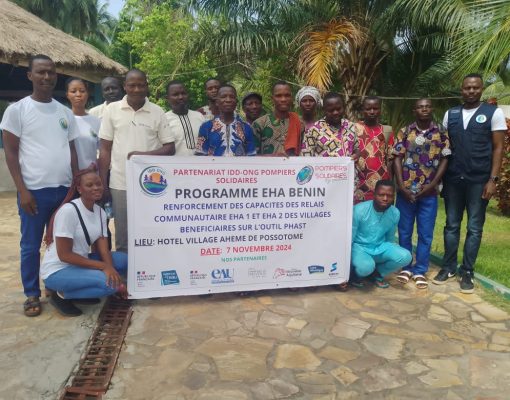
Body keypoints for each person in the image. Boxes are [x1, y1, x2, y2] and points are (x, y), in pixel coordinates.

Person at [0, 54, 79, 316]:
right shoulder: (17, 110)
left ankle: (54, 287)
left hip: (63, 191)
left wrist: (73, 187)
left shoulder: (64, 112)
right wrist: (22, 190)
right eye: (41, 72)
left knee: (61, 245)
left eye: (51, 73)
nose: (47, 77)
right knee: (31, 246)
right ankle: (32, 294)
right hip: (33, 191)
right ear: (30, 75)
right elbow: (11, 153)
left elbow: (72, 151)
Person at [433, 73, 506, 293]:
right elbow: (443, 148)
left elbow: (498, 148)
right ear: (461, 90)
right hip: (453, 179)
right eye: (467, 88)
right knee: (451, 225)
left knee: (474, 228)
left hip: (479, 180)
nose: (471, 91)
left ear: (482, 89)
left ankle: (467, 272)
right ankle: (448, 267)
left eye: (475, 88)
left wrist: (492, 180)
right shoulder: (450, 114)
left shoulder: (493, 113)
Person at [98, 69, 175, 253]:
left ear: (147, 87)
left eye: (141, 85)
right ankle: (125, 277)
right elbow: (105, 148)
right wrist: (103, 182)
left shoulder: (157, 111)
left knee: (151, 230)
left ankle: (150, 271)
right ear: (125, 87)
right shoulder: (112, 110)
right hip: (120, 182)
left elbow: (170, 148)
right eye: (132, 85)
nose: (137, 89)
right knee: (123, 234)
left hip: (151, 184)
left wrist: (141, 156)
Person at [41, 165, 127, 317]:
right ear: (79, 189)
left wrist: (110, 268)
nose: (96, 188)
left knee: (124, 260)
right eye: (89, 185)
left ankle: (80, 291)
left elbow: (103, 249)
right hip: (58, 270)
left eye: (99, 184)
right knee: (110, 287)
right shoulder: (69, 211)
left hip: (80, 262)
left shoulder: (100, 212)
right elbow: (64, 256)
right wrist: (104, 268)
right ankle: (60, 294)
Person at [393, 99, 451, 289]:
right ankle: (406, 266)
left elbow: (445, 159)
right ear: (414, 110)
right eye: (420, 106)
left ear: (431, 109)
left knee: (425, 233)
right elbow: (397, 158)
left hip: (429, 193)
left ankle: (420, 270)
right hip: (405, 192)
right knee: (404, 231)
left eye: (427, 106)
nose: (424, 109)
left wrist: (432, 184)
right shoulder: (405, 131)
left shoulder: (441, 132)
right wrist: (401, 186)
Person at [351, 180, 413, 288]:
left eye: (389, 195)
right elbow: (349, 239)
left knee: (406, 256)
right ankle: (355, 275)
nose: (385, 198)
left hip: (379, 247)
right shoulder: (359, 210)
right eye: (381, 195)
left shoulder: (395, 213)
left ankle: (377, 274)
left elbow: (389, 239)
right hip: (359, 248)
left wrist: (393, 252)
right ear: (374, 194)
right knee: (366, 267)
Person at [195, 84, 257, 156]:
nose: (228, 100)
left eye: (232, 97)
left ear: (236, 102)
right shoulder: (206, 127)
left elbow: (251, 156)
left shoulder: (246, 127)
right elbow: (200, 156)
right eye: (223, 97)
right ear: (217, 102)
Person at [354, 96, 394, 203]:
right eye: (368, 109)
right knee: (359, 216)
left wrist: (390, 183)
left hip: (381, 184)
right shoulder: (354, 128)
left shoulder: (386, 130)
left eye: (375, 108)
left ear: (380, 110)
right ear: (363, 110)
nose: (372, 112)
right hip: (359, 183)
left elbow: (390, 160)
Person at [301, 92, 360, 159]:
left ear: (343, 107)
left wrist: (356, 155)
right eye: (331, 110)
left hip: (348, 169)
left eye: (338, 109)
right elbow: (305, 157)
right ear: (324, 110)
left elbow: (356, 148)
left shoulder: (351, 126)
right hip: (323, 169)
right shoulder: (313, 130)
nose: (335, 112)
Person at [253, 81, 302, 156]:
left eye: (287, 95)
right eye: (278, 96)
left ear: (291, 98)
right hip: (268, 167)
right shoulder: (259, 124)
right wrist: (272, 157)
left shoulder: (299, 123)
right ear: (272, 99)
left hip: (294, 167)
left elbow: (305, 152)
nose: (283, 99)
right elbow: (250, 157)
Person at [65, 77, 101, 169]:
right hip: (67, 177)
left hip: (90, 176)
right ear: (67, 95)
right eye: (73, 91)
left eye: (82, 91)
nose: (78, 94)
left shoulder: (96, 122)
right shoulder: (64, 120)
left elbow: (103, 150)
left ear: (87, 94)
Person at [165, 80, 206, 156]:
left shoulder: (199, 116)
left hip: (201, 166)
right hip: (175, 167)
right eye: (175, 94)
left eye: (183, 93)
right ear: (167, 98)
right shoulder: (164, 120)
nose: (181, 97)